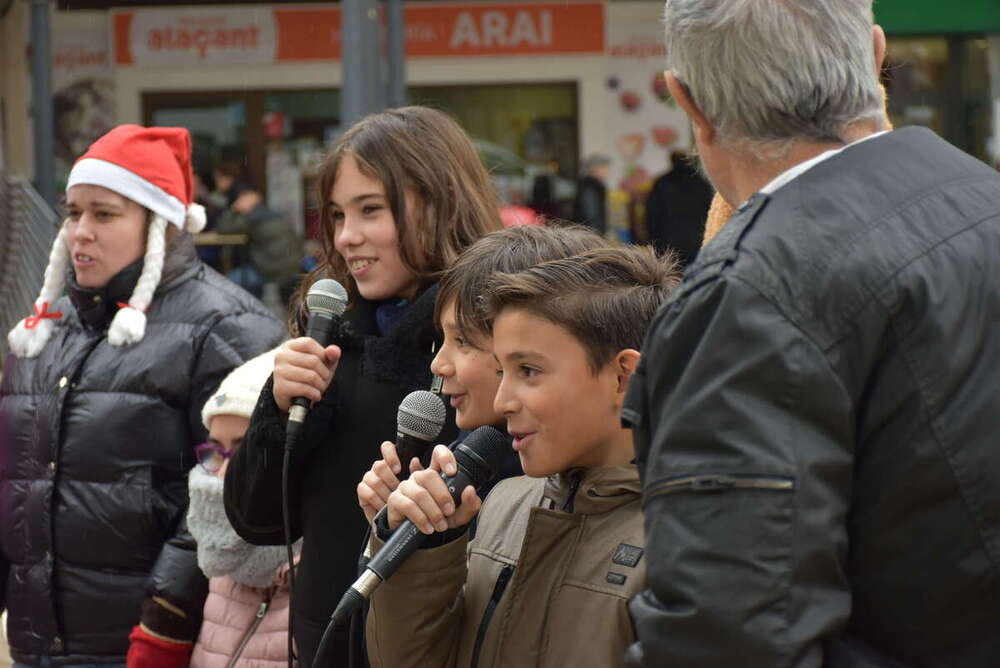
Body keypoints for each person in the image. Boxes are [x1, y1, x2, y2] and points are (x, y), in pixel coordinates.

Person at [624, 1, 1000, 666]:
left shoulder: (752, 297)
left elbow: (726, 637)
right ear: (876, 56)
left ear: (688, 102)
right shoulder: (981, 203)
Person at [223, 106, 504, 667]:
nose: (348, 237)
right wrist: (276, 410)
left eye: (370, 210)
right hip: (325, 641)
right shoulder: (332, 334)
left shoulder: (498, 336)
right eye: (336, 214)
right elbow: (257, 520)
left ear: (441, 201)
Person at [0, 125, 285, 667]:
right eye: (73, 212)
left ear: (161, 224)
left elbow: (228, 497)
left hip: (154, 647)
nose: (80, 231)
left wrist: (163, 623)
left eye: (104, 214)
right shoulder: (43, 331)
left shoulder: (227, 329)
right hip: (37, 646)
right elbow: (15, 485)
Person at [364, 246, 681, 668]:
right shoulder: (505, 504)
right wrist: (423, 551)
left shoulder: (686, 542)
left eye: (528, 371)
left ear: (624, 377)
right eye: (502, 370)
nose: (503, 399)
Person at [356, 224, 609, 525]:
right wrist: (398, 529)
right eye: (442, 340)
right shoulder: (461, 462)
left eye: (462, 341)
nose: (438, 365)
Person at [183, 347, 297, 668]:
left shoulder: (314, 574)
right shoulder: (220, 564)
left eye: (243, 449)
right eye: (215, 450)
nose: (219, 473)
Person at [643, 150, 713, 268]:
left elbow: (652, 214)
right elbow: (710, 212)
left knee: (670, 277)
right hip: (696, 240)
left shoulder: (662, 182)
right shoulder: (701, 183)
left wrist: (652, 239)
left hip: (667, 240)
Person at [570, 154, 611, 235]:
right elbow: (591, 218)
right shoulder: (590, 188)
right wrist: (597, 238)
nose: (607, 171)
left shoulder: (592, 186)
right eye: (604, 167)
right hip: (589, 237)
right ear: (595, 169)